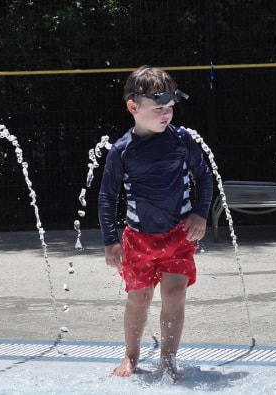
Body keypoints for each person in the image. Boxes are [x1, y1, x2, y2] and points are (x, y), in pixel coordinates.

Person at [98, 65, 213, 381]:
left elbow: (204, 176)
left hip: (179, 232)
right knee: (140, 297)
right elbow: (107, 196)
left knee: (174, 293)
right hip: (138, 238)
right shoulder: (122, 151)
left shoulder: (181, 140)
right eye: (159, 108)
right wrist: (110, 241)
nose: (167, 114)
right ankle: (131, 355)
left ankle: (169, 359)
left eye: (170, 108)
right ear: (133, 107)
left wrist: (200, 213)